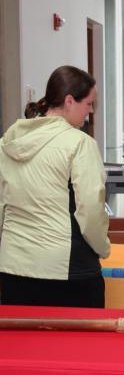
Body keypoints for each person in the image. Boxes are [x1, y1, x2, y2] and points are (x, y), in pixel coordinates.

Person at [0, 65, 111, 308]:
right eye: (89, 103)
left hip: (12, 269)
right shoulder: (80, 144)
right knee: (77, 346)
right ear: (70, 100)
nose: (90, 111)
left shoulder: (8, 142)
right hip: (67, 271)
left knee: (20, 347)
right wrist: (103, 247)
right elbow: (90, 210)